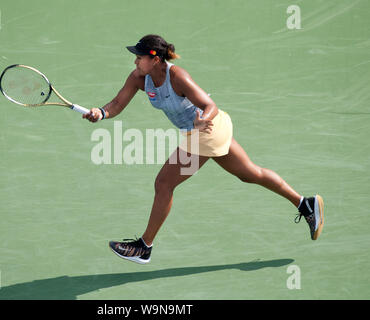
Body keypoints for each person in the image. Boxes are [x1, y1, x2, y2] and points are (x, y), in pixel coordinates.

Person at [83, 34, 324, 264]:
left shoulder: (177, 76)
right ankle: (305, 204)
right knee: (250, 173)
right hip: (203, 133)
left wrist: (201, 120)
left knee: (164, 184)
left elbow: (210, 105)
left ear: (155, 59)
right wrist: (100, 113)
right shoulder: (138, 78)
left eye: (140, 56)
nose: (135, 60)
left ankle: (144, 247)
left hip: (206, 131)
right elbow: (116, 103)